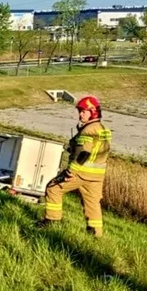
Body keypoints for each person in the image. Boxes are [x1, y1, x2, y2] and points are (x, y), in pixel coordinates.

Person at [41, 95, 112, 237]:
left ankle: (52, 220)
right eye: (79, 111)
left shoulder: (88, 130)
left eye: (83, 111)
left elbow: (83, 153)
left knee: (53, 188)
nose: (80, 114)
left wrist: (70, 171)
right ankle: (95, 234)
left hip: (81, 172)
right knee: (92, 203)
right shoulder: (104, 129)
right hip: (97, 175)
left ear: (93, 112)